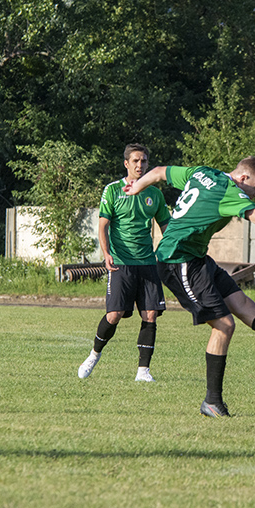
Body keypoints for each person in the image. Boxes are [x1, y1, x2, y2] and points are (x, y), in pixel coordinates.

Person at [124, 156, 255, 417]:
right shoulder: (229, 191)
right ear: (243, 178)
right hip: (178, 261)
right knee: (224, 325)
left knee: (244, 306)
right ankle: (212, 401)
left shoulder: (202, 172)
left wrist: (136, 186)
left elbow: (158, 172)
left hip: (197, 259)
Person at [78, 144, 171, 382]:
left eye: (144, 161)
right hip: (120, 262)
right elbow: (103, 225)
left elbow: (165, 226)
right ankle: (93, 355)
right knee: (114, 315)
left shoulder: (155, 194)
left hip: (147, 263)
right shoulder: (112, 191)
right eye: (136, 161)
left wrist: (165, 249)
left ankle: (143, 371)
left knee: (150, 314)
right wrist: (106, 253)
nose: (140, 165)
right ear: (126, 164)